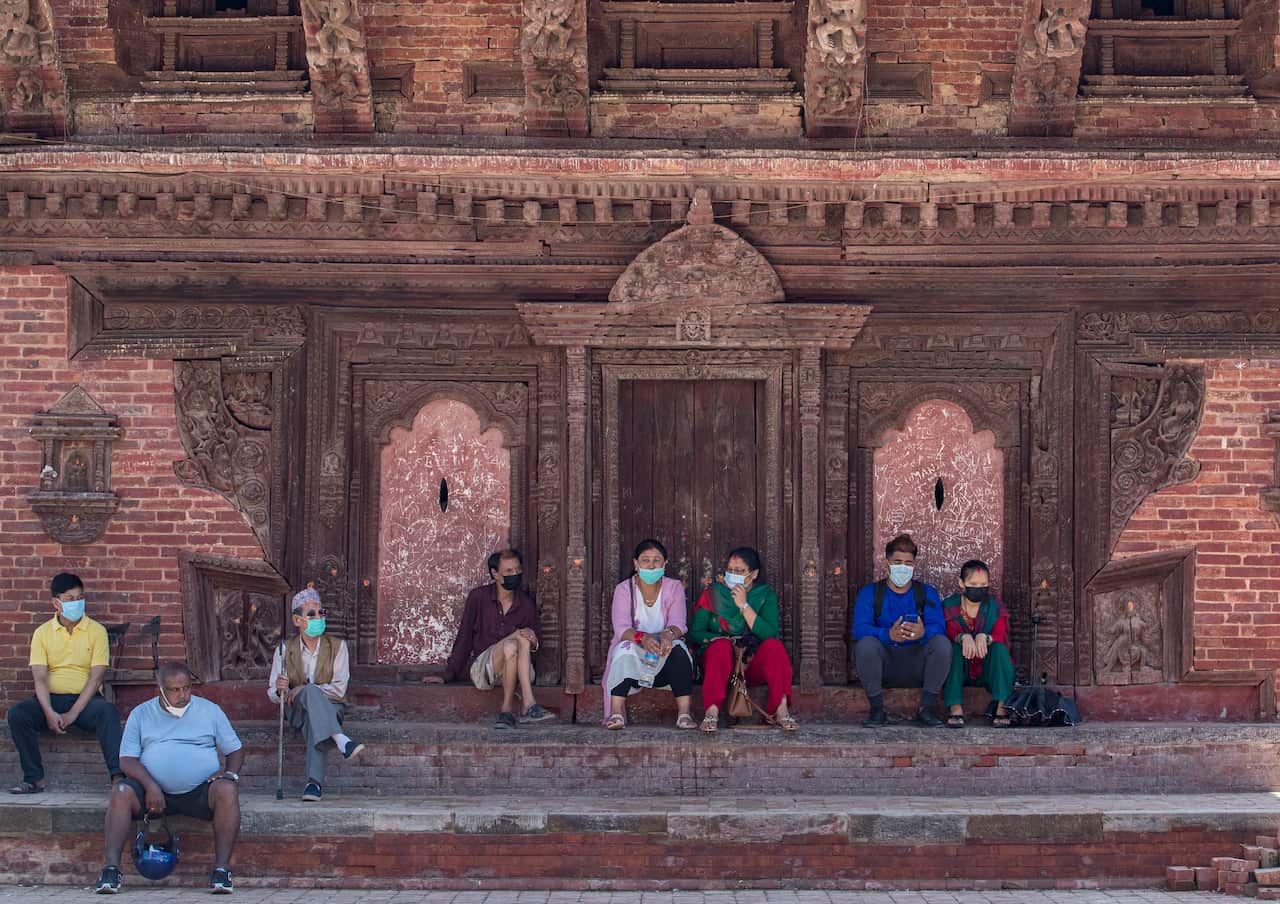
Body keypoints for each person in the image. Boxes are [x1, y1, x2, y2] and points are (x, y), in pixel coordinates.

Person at [96, 662, 243, 895]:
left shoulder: (210, 710)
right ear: (161, 689)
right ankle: (111, 870)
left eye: (186, 688)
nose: (182, 695)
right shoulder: (141, 714)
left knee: (227, 790)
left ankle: (222, 871)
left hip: (199, 790)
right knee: (121, 792)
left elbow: (235, 750)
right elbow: (127, 760)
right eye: (175, 689)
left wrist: (229, 774)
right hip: (151, 794)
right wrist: (151, 785)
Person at [7, 572, 123, 795]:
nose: (77, 603)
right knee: (17, 715)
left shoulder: (97, 631)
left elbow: (96, 677)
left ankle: (118, 778)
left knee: (107, 711)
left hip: (86, 702)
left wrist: (72, 714)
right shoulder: (42, 633)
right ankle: (34, 779)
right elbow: (39, 678)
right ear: (56, 603)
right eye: (70, 599)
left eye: (80, 598)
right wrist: (49, 712)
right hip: (50, 699)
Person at [426, 549, 555, 729]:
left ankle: (507, 711)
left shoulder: (525, 603)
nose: (515, 574)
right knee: (517, 638)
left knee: (517, 643)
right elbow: (464, 637)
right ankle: (529, 704)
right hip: (485, 669)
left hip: (520, 672)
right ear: (495, 573)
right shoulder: (478, 598)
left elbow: (535, 644)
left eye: (517, 570)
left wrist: (532, 639)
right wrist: (449, 674)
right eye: (509, 571)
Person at [266, 588, 366, 802]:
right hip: (296, 710)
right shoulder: (284, 650)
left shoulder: (338, 647)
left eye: (321, 613)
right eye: (311, 614)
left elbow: (339, 689)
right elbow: (273, 695)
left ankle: (313, 783)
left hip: (331, 707)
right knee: (311, 703)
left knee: (315, 715)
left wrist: (304, 688)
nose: (318, 618)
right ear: (297, 620)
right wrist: (280, 688)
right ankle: (341, 740)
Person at [688, 547, 798, 733]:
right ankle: (711, 711)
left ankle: (781, 709)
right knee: (720, 646)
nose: (733, 575)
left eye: (739, 571)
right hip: (720, 663)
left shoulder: (764, 595)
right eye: (730, 570)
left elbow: (770, 634)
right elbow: (696, 632)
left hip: (749, 663)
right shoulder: (713, 593)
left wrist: (744, 605)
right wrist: (722, 639)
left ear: (753, 574)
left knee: (774, 646)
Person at [852, 534, 950, 727]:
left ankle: (927, 709)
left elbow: (940, 627)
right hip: (885, 664)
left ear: (914, 565)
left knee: (942, 644)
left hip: (917, 664)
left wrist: (924, 633)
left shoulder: (927, 593)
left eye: (908, 563)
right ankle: (877, 710)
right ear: (887, 562)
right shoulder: (869, 593)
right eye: (897, 562)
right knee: (865, 646)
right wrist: (887, 635)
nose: (903, 567)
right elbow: (859, 629)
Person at [601, 539, 695, 730]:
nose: (651, 565)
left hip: (663, 650)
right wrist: (643, 638)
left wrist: (668, 636)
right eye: (645, 560)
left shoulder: (674, 587)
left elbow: (678, 623)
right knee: (623, 650)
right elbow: (621, 627)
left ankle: (684, 714)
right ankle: (616, 713)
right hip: (636, 648)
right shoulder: (624, 589)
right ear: (636, 564)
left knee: (680, 651)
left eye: (656, 560)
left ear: (665, 563)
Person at [942, 559, 1015, 728]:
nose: (978, 588)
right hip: (962, 666)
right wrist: (963, 637)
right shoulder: (949, 605)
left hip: (986, 665)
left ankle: (1002, 707)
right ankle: (955, 707)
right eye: (973, 583)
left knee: (999, 649)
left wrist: (985, 637)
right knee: (951, 648)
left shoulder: (995, 605)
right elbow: (945, 630)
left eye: (983, 584)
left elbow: (999, 631)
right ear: (962, 583)